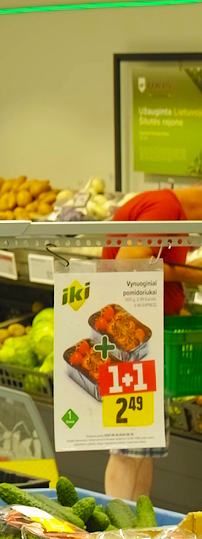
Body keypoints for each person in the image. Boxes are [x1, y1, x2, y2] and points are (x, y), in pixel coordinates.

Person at [100, 183, 202, 499]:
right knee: (129, 446)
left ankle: (137, 520)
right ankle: (119, 520)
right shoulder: (165, 208)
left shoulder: (173, 213)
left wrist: (178, 307)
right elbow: (129, 263)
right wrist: (194, 274)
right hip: (130, 336)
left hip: (141, 333)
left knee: (141, 446)